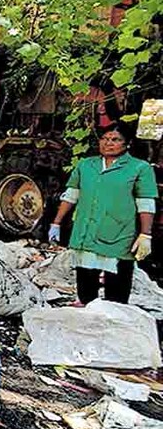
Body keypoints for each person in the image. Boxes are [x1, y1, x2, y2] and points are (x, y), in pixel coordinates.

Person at [49, 123, 158, 304]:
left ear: (127, 144)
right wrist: (56, 223)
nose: (108, 143)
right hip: (86, 233)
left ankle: (113, 324)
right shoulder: (86, 165)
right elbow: (71, 196)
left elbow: (146, 203)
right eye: (105, 139)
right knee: (85, 286)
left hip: (119, 235)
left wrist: (145, 234)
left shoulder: (140, 168)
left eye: (115, 140)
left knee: (116, 293)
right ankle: (87, 319)